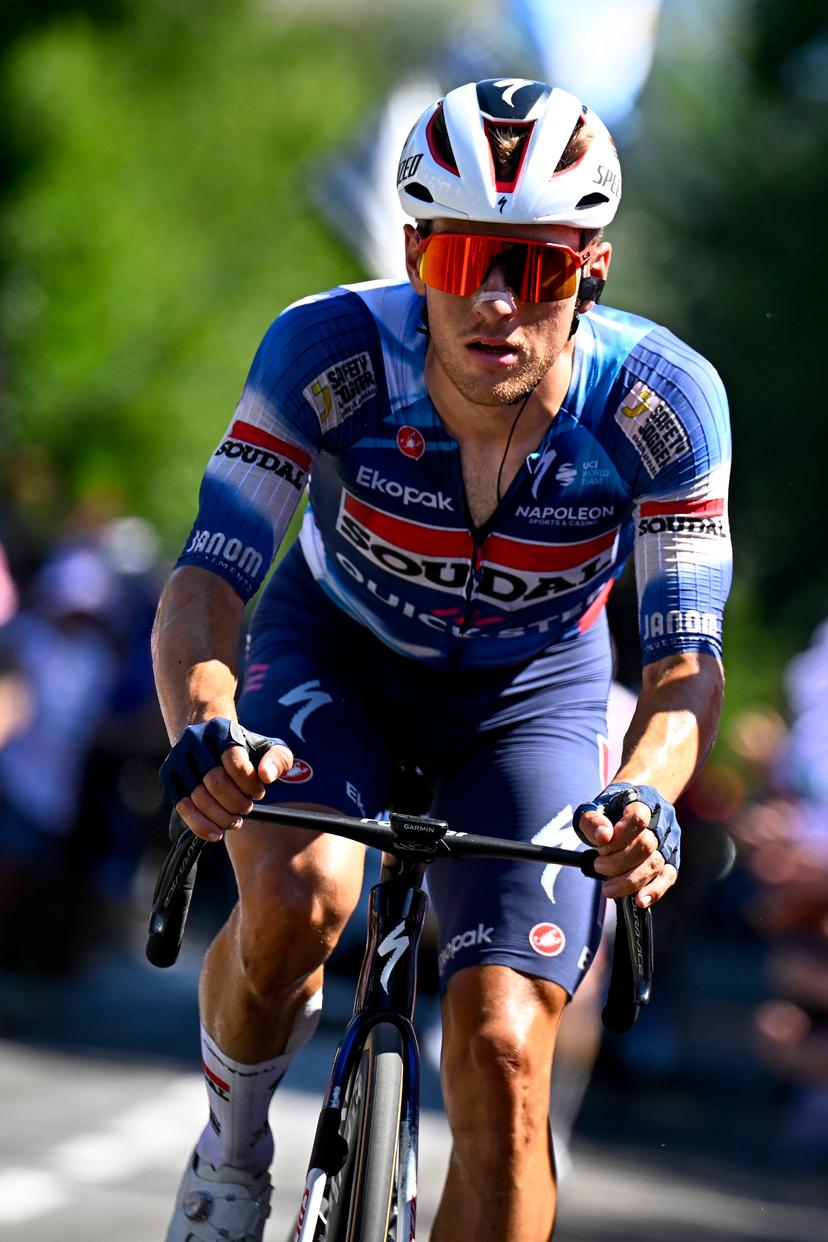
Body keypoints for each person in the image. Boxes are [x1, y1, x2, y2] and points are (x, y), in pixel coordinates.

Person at [153, 78, 731, 1242]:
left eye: (542, 268)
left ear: (594, 268)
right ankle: (228, 1159)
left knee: (510, 1053)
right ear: (417, 251)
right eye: (467, 256)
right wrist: (206, 725)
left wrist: (644, 793)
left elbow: (682, 667)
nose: (500, 302)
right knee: (302, 896)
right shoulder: (328, 349)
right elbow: (210, 581)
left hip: (533, 697)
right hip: (339, 655)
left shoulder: (661, 404)